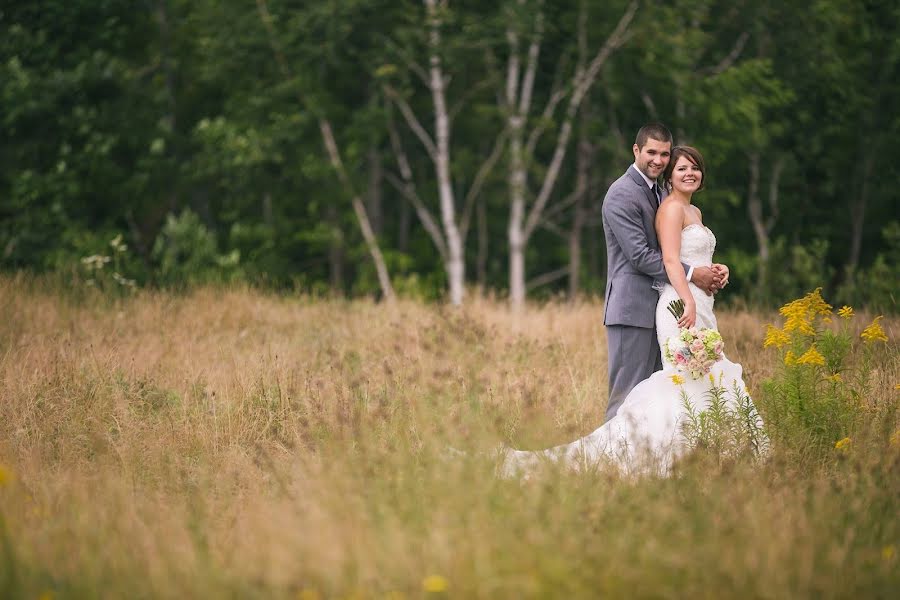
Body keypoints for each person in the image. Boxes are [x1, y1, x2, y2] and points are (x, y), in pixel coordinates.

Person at [499, 145, 765, 476]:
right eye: (682, 168)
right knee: (678, 380)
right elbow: (665, 259)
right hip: (680, 305)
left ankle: (693, 457)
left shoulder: (693, 212)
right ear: (669, 174)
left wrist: (715, 272)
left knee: (696, 382)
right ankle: (615, 460)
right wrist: (691, 296)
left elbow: (693, 256)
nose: (689, 173)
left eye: (695, 167)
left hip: (699, 303)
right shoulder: (664, 207)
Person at [600, 124, 725, 422]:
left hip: (665, 307)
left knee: (657, 397)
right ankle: (606, 463)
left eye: (664, 154)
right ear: (636, 150)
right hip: (632, 309)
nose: (658, 160)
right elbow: (640, 256)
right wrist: (694, 273)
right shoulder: (621, 194)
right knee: (626, 398)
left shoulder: (660, 192)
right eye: (651, 152)